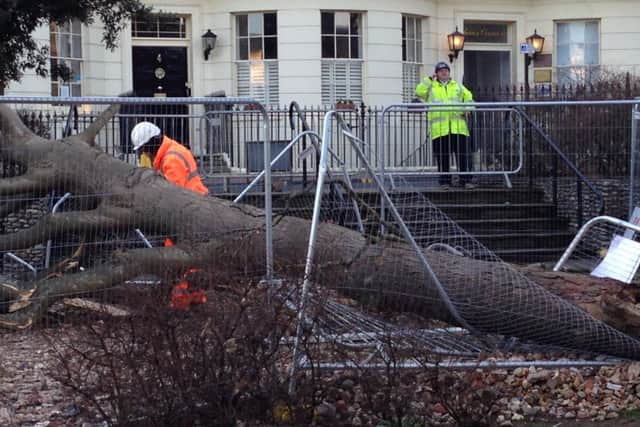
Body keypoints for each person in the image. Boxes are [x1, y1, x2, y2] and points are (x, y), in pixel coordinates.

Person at [415, 61, 475, 189]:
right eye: (441, 71)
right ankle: (444, 182)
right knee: (443, 157)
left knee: (463, 155)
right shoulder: (431, 86)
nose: (444, 72)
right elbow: (419, 92)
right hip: (440, 129)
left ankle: (466, 180)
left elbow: (468, 97)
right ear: (436, 74)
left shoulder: (457, 86)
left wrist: (468, 108)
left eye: (446, 70)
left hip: (458, 127)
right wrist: (429, 79)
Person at [130, 121, 209, 195]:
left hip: (196, 201)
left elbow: (172, 193)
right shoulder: (168, 150)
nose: (145, 153)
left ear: (153, 142)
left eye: (145, 149)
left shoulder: (172, 159)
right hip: (194, 198)